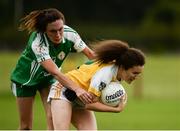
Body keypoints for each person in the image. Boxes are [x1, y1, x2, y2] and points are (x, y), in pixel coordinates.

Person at [10, 8, 95, 130]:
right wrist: (77, 89)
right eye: (53, 31)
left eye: (60, 29)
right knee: (26, 127)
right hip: (25, 81)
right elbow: (55, 72)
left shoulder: (70, 34)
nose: (58, 35)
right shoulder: (38, 43)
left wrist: (112, 63)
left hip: (48, 80)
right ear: (44, 31)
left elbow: (92, 55)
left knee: (53, 118)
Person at [48, 39, 146, 130]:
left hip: (80, 98)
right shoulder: (105, 75)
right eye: (135, 73)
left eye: (139, 74)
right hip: (63, 90)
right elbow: (90, 105)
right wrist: (115, 109)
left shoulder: (116, 72)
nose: (136, 77)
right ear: (123, 67)